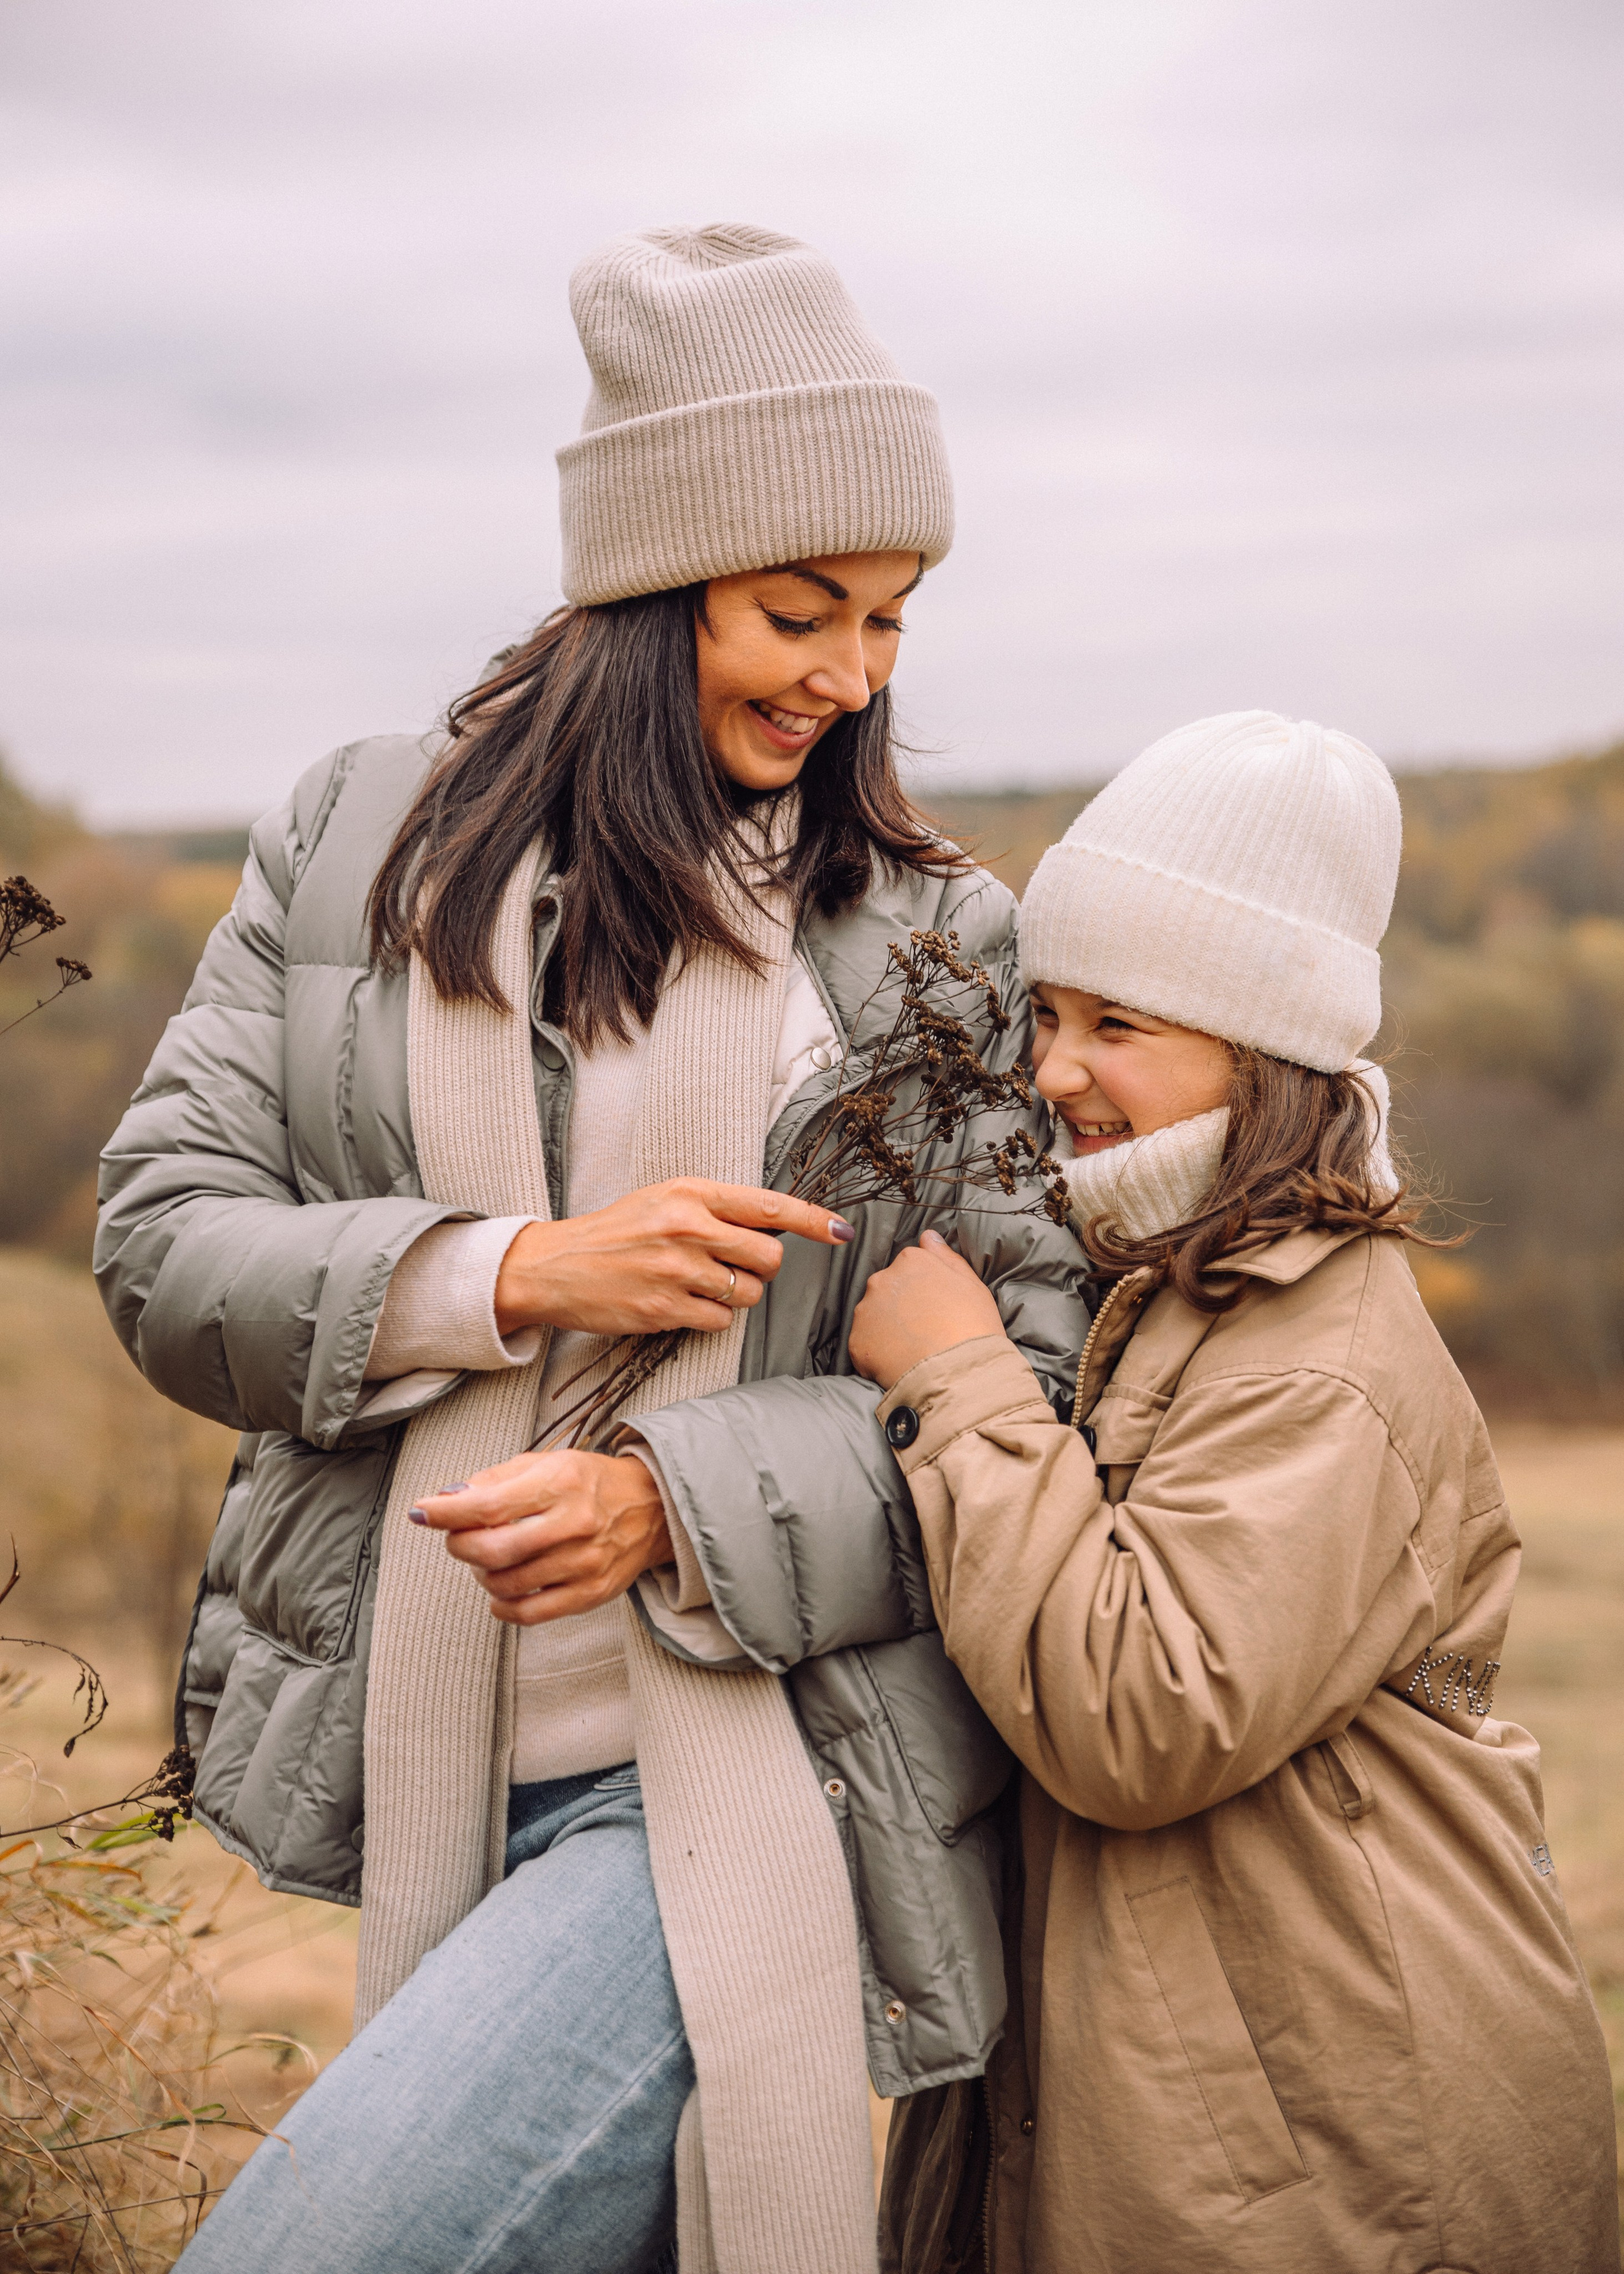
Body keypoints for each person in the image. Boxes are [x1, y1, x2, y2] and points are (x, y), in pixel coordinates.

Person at [95, 225, 1083, 2274]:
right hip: (436, 1757)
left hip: (760, 1759)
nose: (852, 677)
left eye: (890, 620)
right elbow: (165, 1246)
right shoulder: (356, 846)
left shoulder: (934, 942)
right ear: (647, 583)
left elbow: (1028, 1393)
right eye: (799, 610)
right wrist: (514, 1272)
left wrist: (671, 1502)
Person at [849, 711, 1620, 2274]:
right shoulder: (1170, 1286)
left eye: (1116, 1024)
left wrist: (959, 1381)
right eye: (1046, 1012)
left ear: (1260, 1048)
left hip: (1328, 2155)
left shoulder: (1314, 1357)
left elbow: (1141, 1714)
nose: (1055, 1068)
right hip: (1215, 2100)